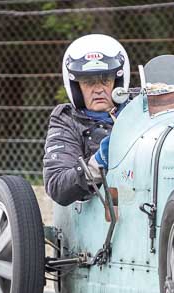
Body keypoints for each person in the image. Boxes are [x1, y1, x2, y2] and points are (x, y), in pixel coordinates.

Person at [42, 34, 130, 206]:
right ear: (76, 86)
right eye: (88, 82)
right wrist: (98, 163)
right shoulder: (66, 120)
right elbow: (57, 185)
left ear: (118, 80)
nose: (98, 89)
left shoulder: (140, 105)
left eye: (105, 80)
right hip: (105, 211)